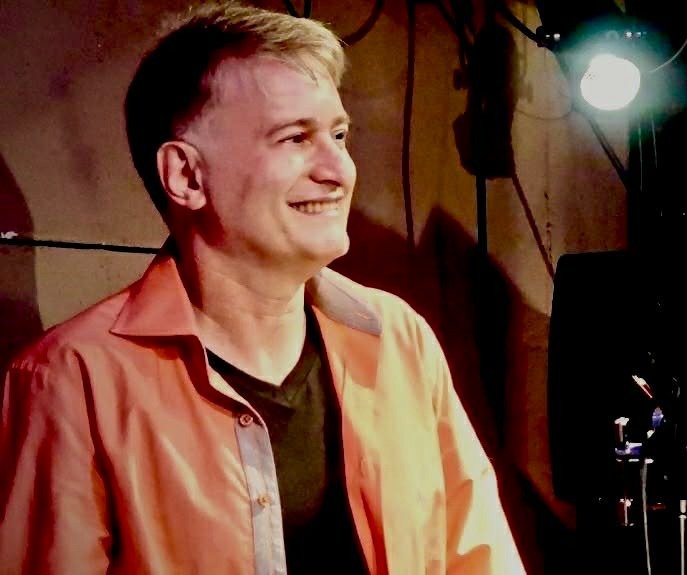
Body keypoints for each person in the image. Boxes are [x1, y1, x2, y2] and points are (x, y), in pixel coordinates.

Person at [0, 2, 525, 573]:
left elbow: (479, 556)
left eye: (339, 135)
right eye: (295, 138)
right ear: (186, 175)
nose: (339, 170)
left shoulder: (400, 338)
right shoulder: (71, 378)